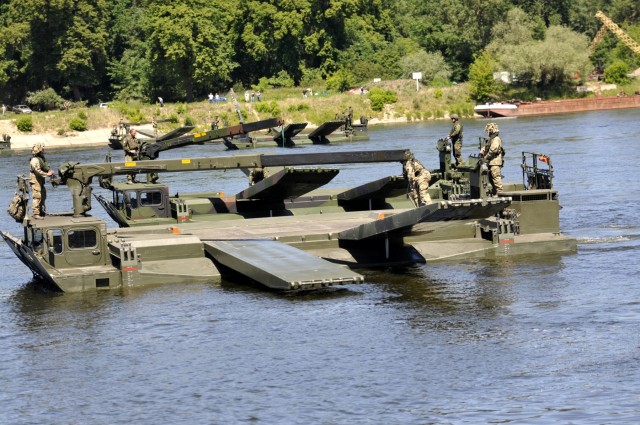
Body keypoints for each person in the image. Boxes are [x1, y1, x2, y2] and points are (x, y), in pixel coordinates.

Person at [29, 143, 55, 219]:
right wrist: (47, 174)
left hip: (40, 181)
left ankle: (42, 211)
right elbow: (37, 171)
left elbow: (44, 167)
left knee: (43, 196)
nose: (43, 150)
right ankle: (36, 213)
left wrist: (49, 171)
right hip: (35, 181)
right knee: (37, 197)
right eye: (42, 149)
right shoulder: (34, 160)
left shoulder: (41, 158)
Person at [481, 122, 504, 196]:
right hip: (491, 161)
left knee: (496, 177)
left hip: (495, 161)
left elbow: (493, 150)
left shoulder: (496, 139)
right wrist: (484, 149)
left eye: (488, 130)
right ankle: (495, 192)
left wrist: (486, 157)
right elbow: (489, 147)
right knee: (491, 178)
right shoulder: (492, 139)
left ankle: (500, 193)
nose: (487, 132)